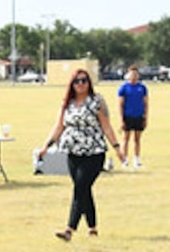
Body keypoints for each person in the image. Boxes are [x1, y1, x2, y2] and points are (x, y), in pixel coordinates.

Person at [38, 68, 124, 241]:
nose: (81, 84)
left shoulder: (97, 101)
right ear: (72, 84)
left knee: (80, 188)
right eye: (77, 81)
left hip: (94, 152)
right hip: (73, 152)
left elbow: (106, 126)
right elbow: (59, 126)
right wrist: (46, 146)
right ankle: (92, 228)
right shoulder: (67, 103)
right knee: (84, 190)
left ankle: (69, 229)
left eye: (84, 80)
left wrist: (117, 147)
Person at [116, 66, 149, 169]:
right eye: (132, 74)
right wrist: (121, 120)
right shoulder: (124, 88)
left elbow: (146, 103)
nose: (134, 76)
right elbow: (120, 105)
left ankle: (137, 160)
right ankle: (124, 160)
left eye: (135, 74)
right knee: (126, 138)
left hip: (139, 116)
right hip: (128, 116)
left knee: (137, 139)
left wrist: (145, 117)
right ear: (128, 75)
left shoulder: (142, 88)